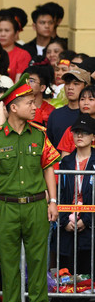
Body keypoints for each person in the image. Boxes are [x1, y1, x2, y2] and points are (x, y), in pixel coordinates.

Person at [0, 74, 60, 302]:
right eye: (28, 102)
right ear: (13, 107)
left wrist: (53, 201)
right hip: (7, 206)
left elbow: (48, 167)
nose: (34, 106)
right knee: (10, 262)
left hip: (36, 204)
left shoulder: (40, 134)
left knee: (38, 261)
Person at [54, 114, 95, 274]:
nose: (79, 135)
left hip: (90, 226)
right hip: (68, 225)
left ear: (93, 136)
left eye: (84, 132)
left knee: (88, 270)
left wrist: (85, 219)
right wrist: (64, 221)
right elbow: (61, 194)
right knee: (67, 272)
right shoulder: (66, 162)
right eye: (76, 131)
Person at [47, 65, 89, 147]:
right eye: (67, 83)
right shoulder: (55, 114)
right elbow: (49, 147)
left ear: (86, 87)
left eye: (76, 84)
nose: (70, 87)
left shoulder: (90, 115)